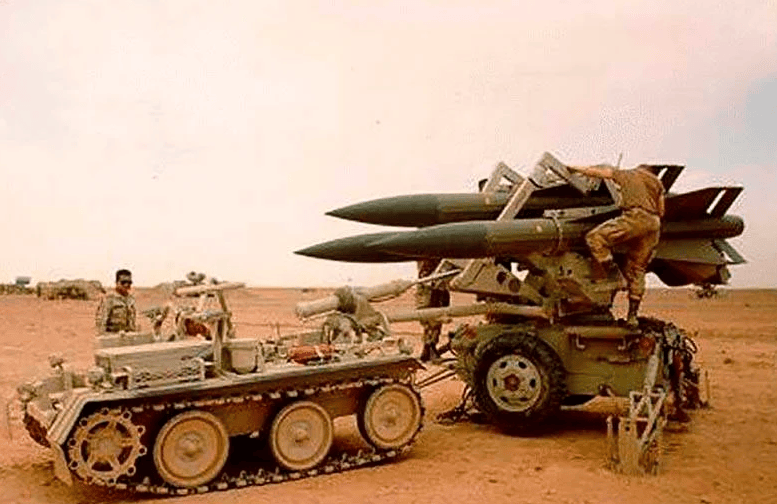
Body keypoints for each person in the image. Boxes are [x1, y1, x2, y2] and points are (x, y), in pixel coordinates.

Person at [567, 164, 665, 328]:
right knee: (638, 269)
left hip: (635, 217)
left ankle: (614, 275)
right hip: (654, 225)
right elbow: (661, 211)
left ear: (639, 169)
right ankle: (632, 317)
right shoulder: (657, 183)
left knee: (595, 238)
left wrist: (574, 168)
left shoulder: (628, 174)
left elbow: (598, 172)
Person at [416, 258, 450, 362]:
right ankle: (430, 348)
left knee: (432, 321)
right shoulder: (430, 258)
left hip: (430, 287)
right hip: (432, 288)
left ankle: (428, 348)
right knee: (433, 320)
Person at [95, 269, 138, 334]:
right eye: (123, 282)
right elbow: (101, 322)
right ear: (117, 283)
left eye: (129, 282)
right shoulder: (109, 299)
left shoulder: (131, 299)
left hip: (128, 336)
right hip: (112, 336)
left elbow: (133, 321)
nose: (126, 285)